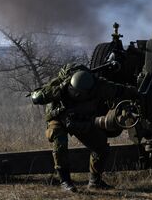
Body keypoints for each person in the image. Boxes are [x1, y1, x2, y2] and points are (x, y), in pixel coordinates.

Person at [30, 63, 138, 192]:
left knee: (100, 146)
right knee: (60, 143)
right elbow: (36, 97)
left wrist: (137, 93)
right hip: (59, 117)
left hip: (82, 119)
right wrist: (57, 89)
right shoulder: (59, 86)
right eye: (74, 92)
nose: (77, 95)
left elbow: (119, 90)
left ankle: (95, 181)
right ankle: (65, 181)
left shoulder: (98, 86)